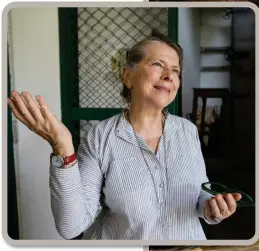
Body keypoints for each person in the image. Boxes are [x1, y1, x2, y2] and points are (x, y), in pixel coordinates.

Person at [7, 35, 242, 240]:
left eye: (176, 70)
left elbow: (201, 193)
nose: (169, 75)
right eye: (158, 65)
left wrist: (211, 209)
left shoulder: (188, 131)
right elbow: (71, 226)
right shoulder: (100, 138)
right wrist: (62, 146)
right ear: (128, 76)